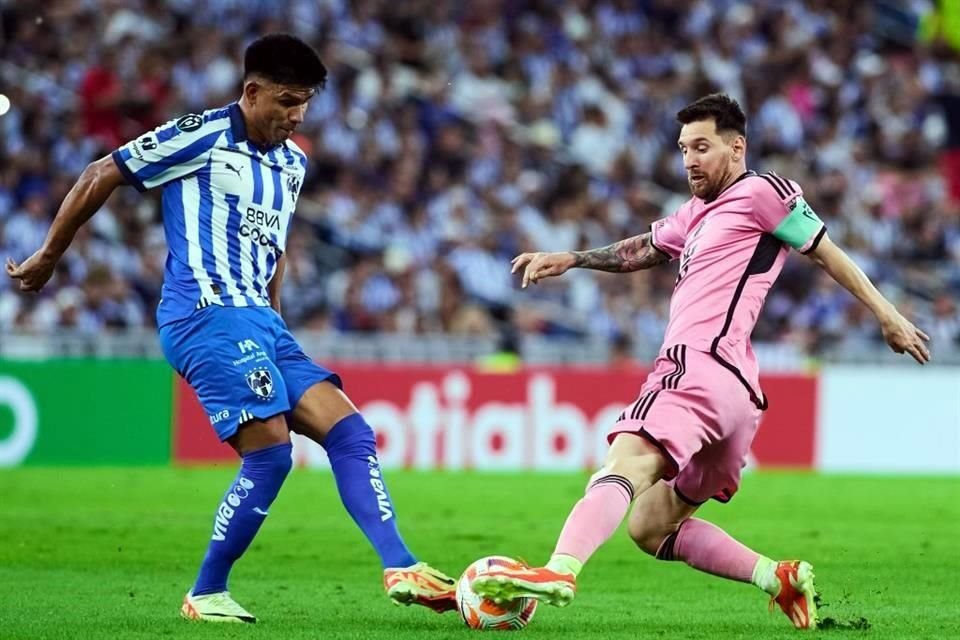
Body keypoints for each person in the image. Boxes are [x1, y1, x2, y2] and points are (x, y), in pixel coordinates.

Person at [6, 34, 457, 624]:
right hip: (204, 314)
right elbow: (102, 172)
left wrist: (273, 314)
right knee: (270, 454)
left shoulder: (293, 163)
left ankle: (400, 564)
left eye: (305, 104)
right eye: (287, 101)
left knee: (350, 431)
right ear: (252, 91)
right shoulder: (200, 135)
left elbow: (276, 250)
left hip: (260, 320)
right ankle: (206, 592)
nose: (296, 115)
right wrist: (49, 254)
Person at [469, 93, 931, 630]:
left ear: (736, 148)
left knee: (627, 463)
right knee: (650, 526)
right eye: (684, 148)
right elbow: (643, 247)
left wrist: (888, 314)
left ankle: (560, 570)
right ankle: (774, 577)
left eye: (702, 147)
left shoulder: (762, 190)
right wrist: (572, 259)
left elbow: (825, 249)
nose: (689, 159)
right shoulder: (696, 213)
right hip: (736, 397)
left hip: (699, 366)